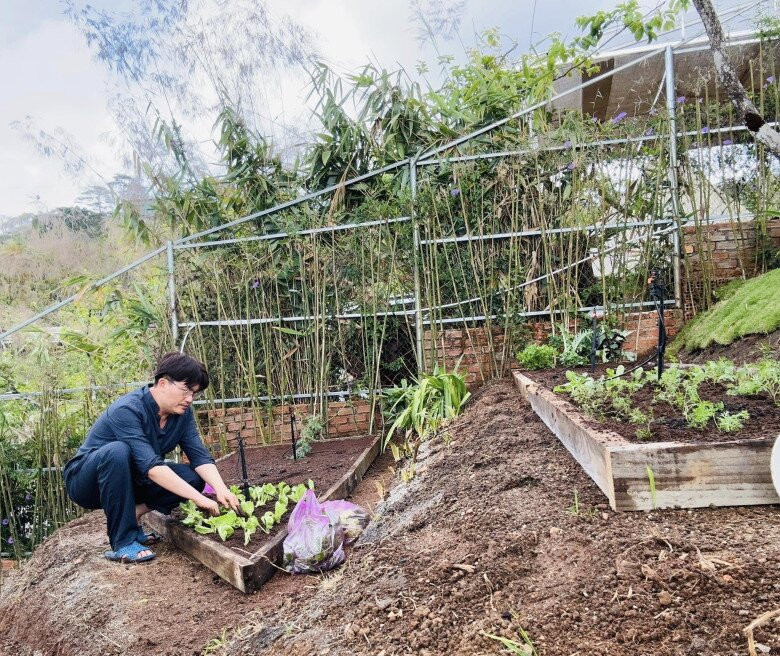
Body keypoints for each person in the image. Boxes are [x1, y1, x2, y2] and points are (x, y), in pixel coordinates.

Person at [64, 352, 240, 563]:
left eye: (195, 393)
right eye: (186, 390)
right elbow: (152, 467)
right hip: (87, 481)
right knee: (117, 451)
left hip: (132, 480)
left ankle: (132, 514)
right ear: (163, 383)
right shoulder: (127, 409)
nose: (190, 399)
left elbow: (199, 456)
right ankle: (123, 542)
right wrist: (199, 498)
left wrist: (221, 488)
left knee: (193, 478)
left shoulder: (182, 414)